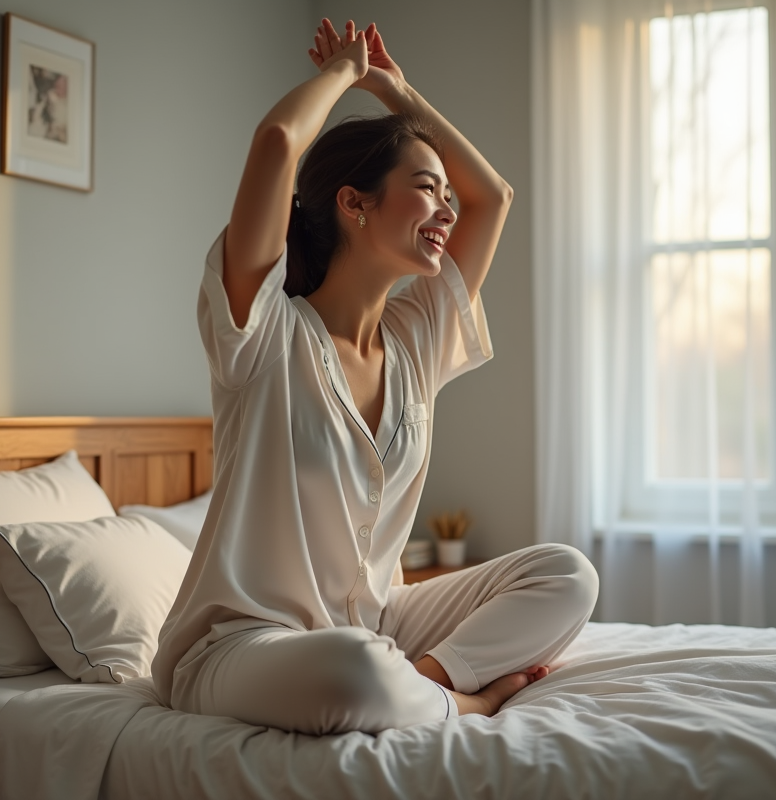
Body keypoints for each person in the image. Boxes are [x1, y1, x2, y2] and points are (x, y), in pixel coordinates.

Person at [152, 19, 598, 735]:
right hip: (242, 644)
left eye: (443, 194)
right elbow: (276, 144)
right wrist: (342, 72)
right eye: (426, 190)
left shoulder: (415, 338)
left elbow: (495, 198)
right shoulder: (263, 329)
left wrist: (398, 92)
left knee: (568, 575)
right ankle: (464, 700)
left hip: (378, 620)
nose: (448, 209)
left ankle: (422, 684)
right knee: (355, 670)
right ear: (353, 204)